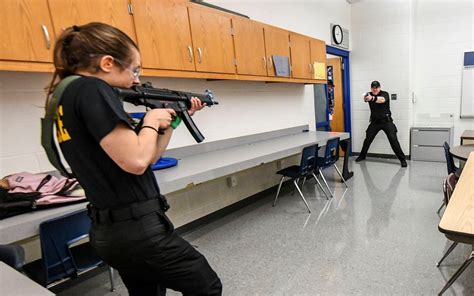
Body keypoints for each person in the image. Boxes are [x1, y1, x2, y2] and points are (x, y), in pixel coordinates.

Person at [46, 22, 222, 295]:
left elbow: (148, 158)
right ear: (107, 63)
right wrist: (151, 119)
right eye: (134, 69)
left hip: (112, 232)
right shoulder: (93, 89)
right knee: (206, 286)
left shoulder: (67, 96)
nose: (137, 80)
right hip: (139, 231)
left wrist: (169, 122)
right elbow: (137, 161)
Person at [356, 81, 407, 167]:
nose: (375, 89)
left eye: (376, 87)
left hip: (386, 122)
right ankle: (362, 156)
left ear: (379, 87)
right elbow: (365, 98)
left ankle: (402, 159)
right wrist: (366, 97)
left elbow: (381, 100)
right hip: (375, 122)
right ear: (371, 88)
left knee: (393, 140)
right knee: (368, 139)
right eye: (373, 88)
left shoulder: (385, 94)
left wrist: (372, 98)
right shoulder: (369, 94)